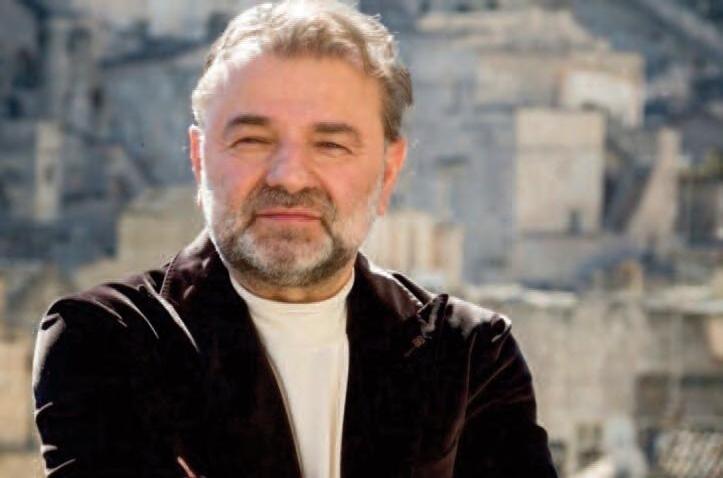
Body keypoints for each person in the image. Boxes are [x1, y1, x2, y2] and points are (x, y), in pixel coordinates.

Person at [32, 1, 558, 477]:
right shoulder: (104, 340)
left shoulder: (470, 354)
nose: (289, 176)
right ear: (198, 160)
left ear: (388, 172)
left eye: (330, 145)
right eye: (252, 140)